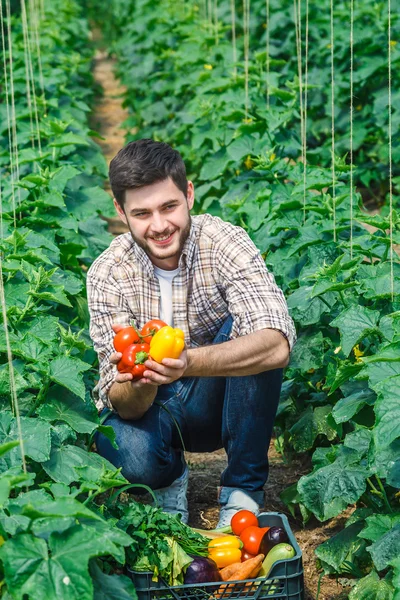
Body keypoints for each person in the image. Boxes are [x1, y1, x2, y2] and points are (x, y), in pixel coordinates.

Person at [87, 139, 296, 526]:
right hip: (156, 410)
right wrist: (140, 376)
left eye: (169, 206)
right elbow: (126, 405)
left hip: (220, 406)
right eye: (142, 213)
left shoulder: (223, 242)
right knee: (124, 450)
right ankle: (168, 478)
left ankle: (241, 490)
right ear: (120, 212)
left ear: (189, 194)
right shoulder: (108, 272)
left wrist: (188, 363)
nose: (160, 225)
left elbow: (277, 346)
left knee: (255, 331)